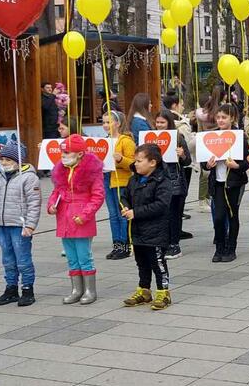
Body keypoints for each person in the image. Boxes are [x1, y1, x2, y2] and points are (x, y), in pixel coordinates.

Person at [47, 134, 105, 305]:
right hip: (64, 217)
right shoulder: (61, 170)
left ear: (80, 154)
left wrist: (85, 214)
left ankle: (89, 290)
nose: (63, 156)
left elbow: (98, 196)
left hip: (81, 218)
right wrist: (51, 205)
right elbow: (56, 192)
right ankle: (76, 289)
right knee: (71, 256)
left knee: (84, 256)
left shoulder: (92, 171)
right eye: (62, 153)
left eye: (67, 153)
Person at [121, 143, 174, 310]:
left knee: (157, 263)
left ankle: (163, 293)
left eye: (139, 161)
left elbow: (161, 205)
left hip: (156, 231)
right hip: (137, 230)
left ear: (152, 162)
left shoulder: (162, 180)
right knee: (141, 262)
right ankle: (144, 291)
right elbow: (124, 195)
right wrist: (125, 206)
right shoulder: (134, 179)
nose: (135, 164)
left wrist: (136, 212)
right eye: (135, 161)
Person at [0, 141, 41, 307]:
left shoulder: (29, 178)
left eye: (8, 160)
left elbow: (34, 204)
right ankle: (11, 289)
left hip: (20, 226)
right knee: (7, 259)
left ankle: (27, 289)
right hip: (3, 225)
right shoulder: (0, 179)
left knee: (23, 259)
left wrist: (30, 225)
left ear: (18, 161)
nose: (4, 163)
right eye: (2, 159)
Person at [205, 104, 249, 262]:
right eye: (218, 117)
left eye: (224, 117)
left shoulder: (239, 137)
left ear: (232, 118)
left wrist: (236, 166)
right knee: (218, 217)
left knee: (232, 215)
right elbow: (204, 162)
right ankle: (220, 247)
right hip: (218, 183)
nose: (220, 120)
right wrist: (208, 165)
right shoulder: (211, 137)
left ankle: (231, 248)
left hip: (234, 183)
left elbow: (247, 161)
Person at [154, 110, 192, 259]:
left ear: (169, 123)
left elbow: (188, 161)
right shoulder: (151, 138)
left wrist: (181, 154)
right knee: (161, 214)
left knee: (173, 214)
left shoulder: (177, 137)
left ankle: (174, 244)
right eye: (157, 122)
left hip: (174, 182)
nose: (159, 125)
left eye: (162, 122)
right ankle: (164, 243)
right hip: (158, 182)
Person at [102, 111, 136, 260]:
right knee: (113, 215)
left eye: (109, 122)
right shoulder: (103, 142)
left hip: (122, 181)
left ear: (118, 123)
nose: (105, 125)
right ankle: (117, 245)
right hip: (107, 180)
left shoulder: (126, 141)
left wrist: (121, 159)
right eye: (103, 122)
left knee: (123, 214)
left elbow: (134, 164)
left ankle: (126, 244)